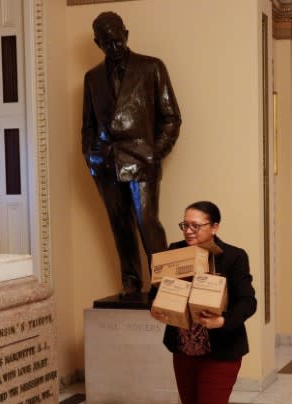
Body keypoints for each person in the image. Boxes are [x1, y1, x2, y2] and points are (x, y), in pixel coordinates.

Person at [150, 201, 257, 404]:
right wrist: (156, 306)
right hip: (184, 350)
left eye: (196, 225)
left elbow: (247, 301)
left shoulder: (233, 257)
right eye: (185, 225)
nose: (189, 231)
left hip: (221, 353)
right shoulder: (174, 253)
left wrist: (223, 321)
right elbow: (155, 293)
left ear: (215, 227)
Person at [82, 11, 182, 296]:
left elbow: (172, 118)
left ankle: (165, 284)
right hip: (106, 163)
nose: (114, 48)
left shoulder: (151, 67)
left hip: (142, 160)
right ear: (97, 42)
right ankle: (130, 282)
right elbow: (87, 126)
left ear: (126, 34)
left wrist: (155, 153)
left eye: (117, 40)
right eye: (107, 43)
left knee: (147, 221)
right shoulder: (92, 78)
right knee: (119, 225)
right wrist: (91, 156)